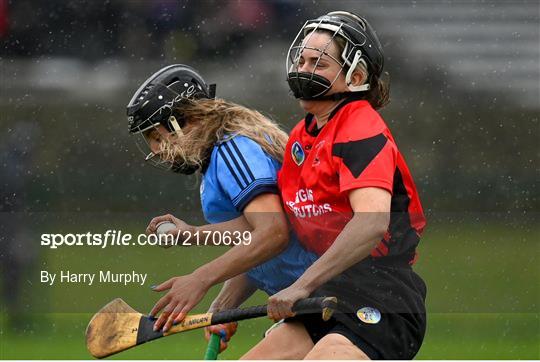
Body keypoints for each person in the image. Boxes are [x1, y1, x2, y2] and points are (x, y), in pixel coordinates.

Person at [239, 11, 427, 360]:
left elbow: (371, 223)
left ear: (355, 76)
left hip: (383, 295)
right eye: (302, 59)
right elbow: (277, 233)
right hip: (328, 290)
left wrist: (302, 285)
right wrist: (224, 298)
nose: (303, 68)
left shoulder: (360, 126)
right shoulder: (300, 137)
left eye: (318, 63)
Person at [126, 64, 318, 350]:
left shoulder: (232, 150)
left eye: (155, 137)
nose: (155, 150)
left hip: (331, 295)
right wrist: (224, 304)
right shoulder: (221, 155)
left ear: (183, 120)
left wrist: (200, 278)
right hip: (310, 303)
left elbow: (274, 233)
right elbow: (256, 239)